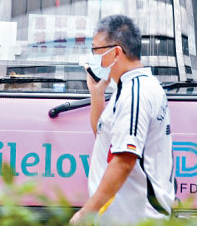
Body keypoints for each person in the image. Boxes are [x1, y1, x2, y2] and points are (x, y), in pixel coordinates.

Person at [70, 15, 174, 225]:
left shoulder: (136, 93)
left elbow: (124, 161)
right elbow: (106, 138)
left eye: (96, 51)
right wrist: (97, 94)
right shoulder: (129, 87)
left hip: (136, 219)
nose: (93, 58)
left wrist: (85, 214)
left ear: (116, 52)